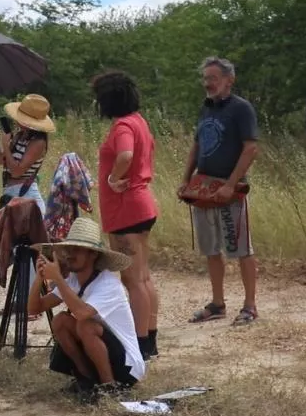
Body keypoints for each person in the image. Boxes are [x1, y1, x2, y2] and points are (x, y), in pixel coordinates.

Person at [27, 217, 146, 402]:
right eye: (69, 249)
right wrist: (39, 279)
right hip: (101, 354)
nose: (70, 255)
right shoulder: (74, 280)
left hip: (127, 366)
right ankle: (86, 380)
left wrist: (57, 278)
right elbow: (35, 308)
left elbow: (82, 313)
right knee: (60, 321)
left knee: (85, 325)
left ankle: (109, 387)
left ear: (93, 255)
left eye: (77, 250)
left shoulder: (108, 284)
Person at [179, 56, 261, 326]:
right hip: (203, 188)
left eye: (213, 78)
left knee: (241, 249)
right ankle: (217, 304)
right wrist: (185, 180)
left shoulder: (241, 109)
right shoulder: (206, 108)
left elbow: (251, 148)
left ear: (229, 80)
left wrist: (229, 184)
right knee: (211, 249)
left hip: (230, 189)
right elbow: (197, 146)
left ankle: (250, 306)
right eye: (206, 78)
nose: (208, 83)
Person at [90, 70, 160, 360]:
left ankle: (139, 343)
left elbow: (126, 156)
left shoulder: (122, 127)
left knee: (132, 281)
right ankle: (150, 339)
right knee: (143, 277)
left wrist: (110, 179)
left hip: (126, 209)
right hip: (142, 204)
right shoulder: (139, 121)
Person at [0, 93, 54, 216]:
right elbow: (0, 159)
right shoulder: (20, 136)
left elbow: (17, 171)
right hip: (11, 192)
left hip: (25, 194)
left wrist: (5, 145)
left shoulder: (38, 142)